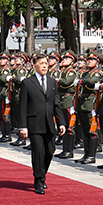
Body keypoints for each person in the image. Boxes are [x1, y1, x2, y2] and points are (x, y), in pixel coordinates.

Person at [17, 54, 66, 195]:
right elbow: (22, 106)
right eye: (41, 63)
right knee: (38, 152)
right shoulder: (27, 82)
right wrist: (23, 126)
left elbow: (56, 103)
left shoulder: (52, 82)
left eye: (46, 63)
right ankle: (39, 181)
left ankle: (41, 173)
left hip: (49, 123)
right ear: (34, 65)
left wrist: (61, 122)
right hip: (34, 123)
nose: (45, 66)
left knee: (50, 150)